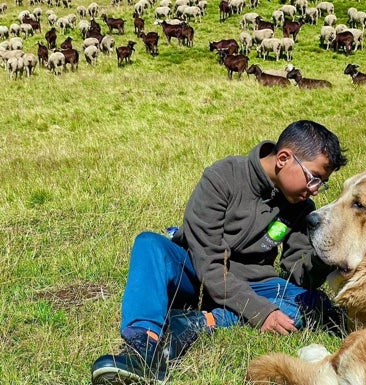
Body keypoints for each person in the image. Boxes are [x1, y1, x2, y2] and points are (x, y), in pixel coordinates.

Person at [91, 120, 348, 384]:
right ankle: (142, 348)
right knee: (149, 244)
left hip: (257, 282)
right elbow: (209, 265)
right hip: (197, 274)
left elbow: (297, 275)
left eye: (322, 183)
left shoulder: (300, 205)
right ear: (284, 158)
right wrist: (260, 311)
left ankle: (197, 323)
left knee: (313, 303)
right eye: (314, 177)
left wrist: (325, 255)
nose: (315, 188)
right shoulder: (222, 177)